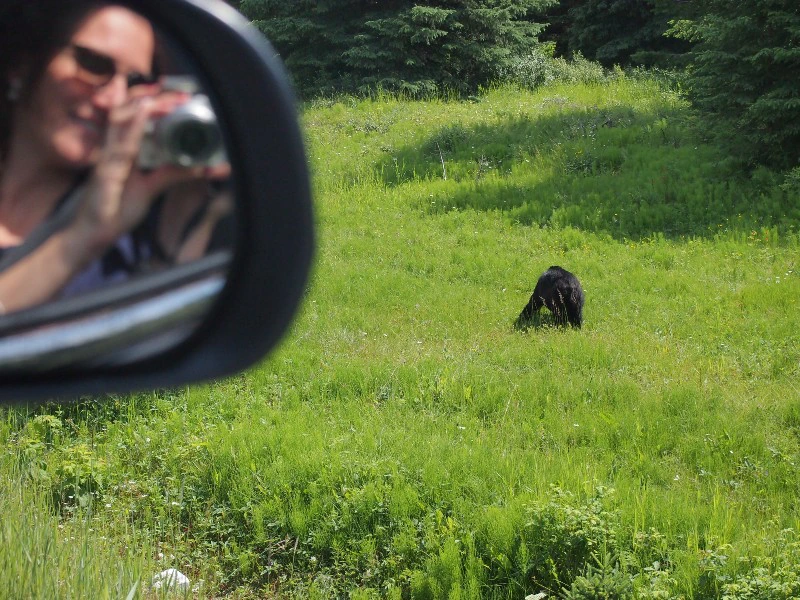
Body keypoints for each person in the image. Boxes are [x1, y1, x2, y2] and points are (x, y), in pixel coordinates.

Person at [0, 1, 231, 315]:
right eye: (93, 63)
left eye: (136, 83)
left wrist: (190, 207)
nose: (114, 100)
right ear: (23, 64)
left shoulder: (130, 222)